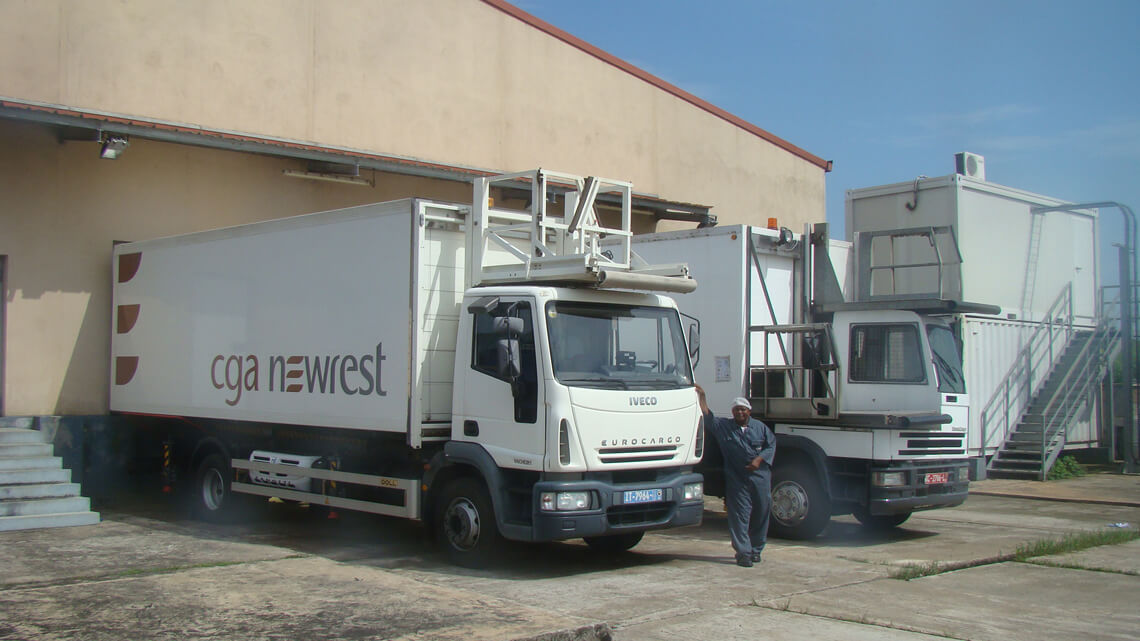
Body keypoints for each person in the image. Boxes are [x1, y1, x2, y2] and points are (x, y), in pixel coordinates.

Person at [696, 384, 776, 567]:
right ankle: (743, 553)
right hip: (737, 479)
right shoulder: (724, 427)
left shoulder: (760, 428)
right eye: (736, 410)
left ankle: (756, 550)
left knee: (761, 513)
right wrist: (702, 395)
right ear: (732, 412)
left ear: (749, 411)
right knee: (739, 516)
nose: (740, 413)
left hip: (760, 477)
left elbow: (771, 445)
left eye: (743, 410)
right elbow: (708, 417)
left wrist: (759, 460)